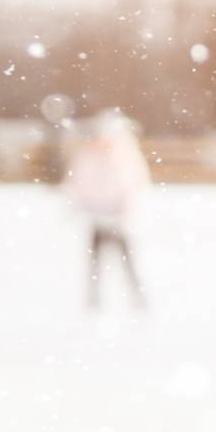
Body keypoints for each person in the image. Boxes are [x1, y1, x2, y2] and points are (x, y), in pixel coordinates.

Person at [62, 109, 150, 311]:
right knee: (95, 262)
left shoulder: (124, 156)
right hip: (96, 216)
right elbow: (76, 182)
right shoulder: (87, 156)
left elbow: (134, 184)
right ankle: (94, 302)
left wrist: (124, 211)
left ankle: (138, 299)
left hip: (118, 217)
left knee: (127, 260)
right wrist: (81, 205)